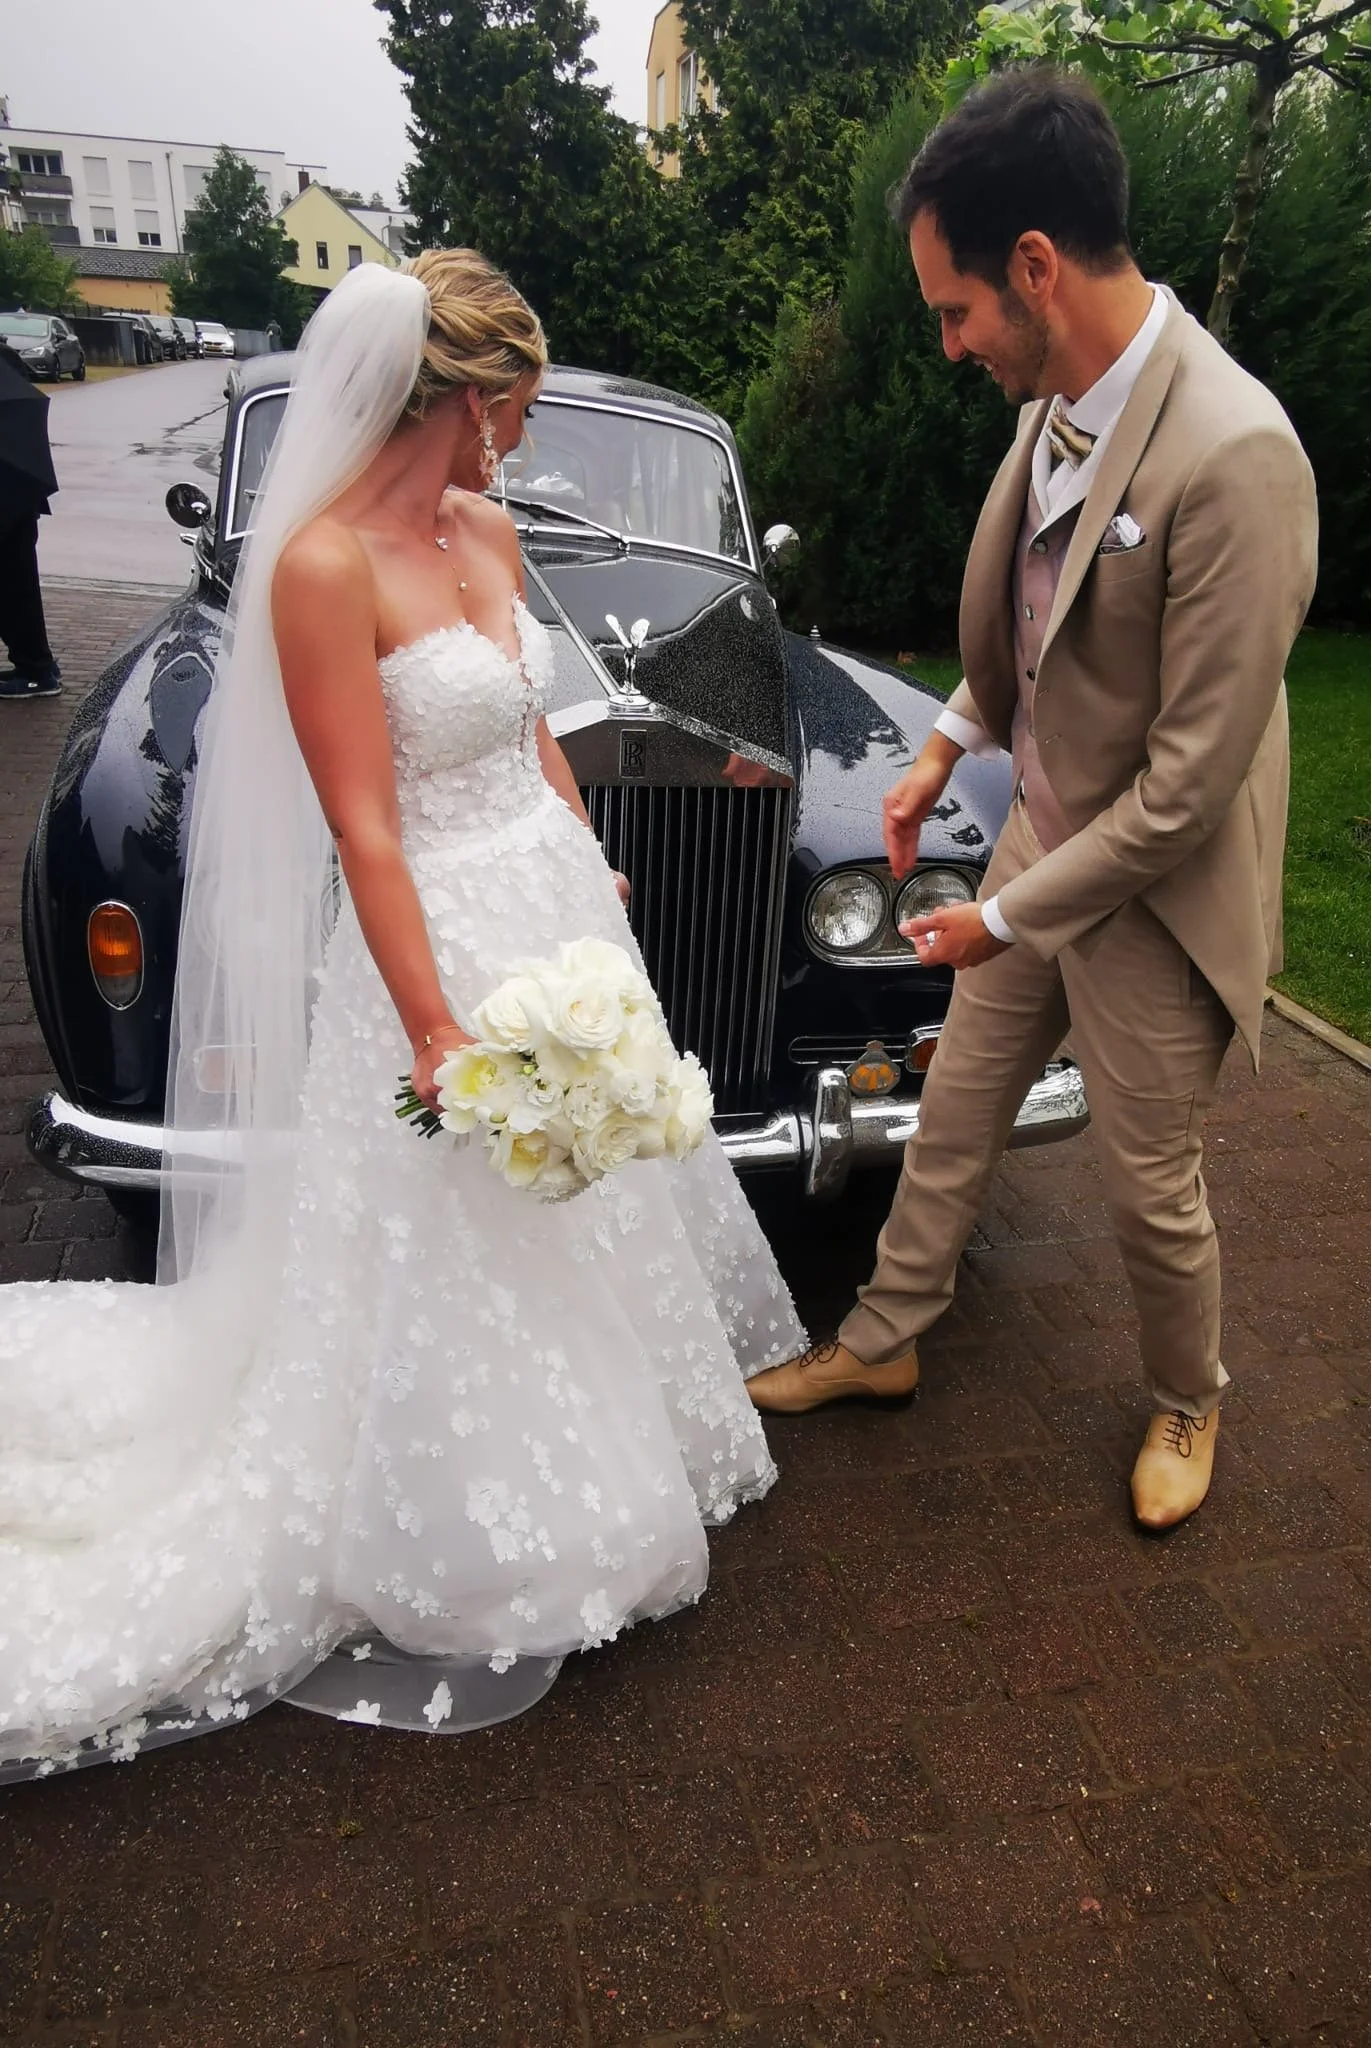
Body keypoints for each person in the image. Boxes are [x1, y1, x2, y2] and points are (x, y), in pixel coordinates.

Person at [0, 252, 804, 1781]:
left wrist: (590, 866)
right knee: (459, 1227)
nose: (528, 436)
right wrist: (435, 1028)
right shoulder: (324, 569)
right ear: (469, 398)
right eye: (523, 406)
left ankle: (612, 1437)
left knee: (586, 1203)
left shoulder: (487, 531)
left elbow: (530, 721)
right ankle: (473, 1510)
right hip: (435, 928)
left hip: (553, 906)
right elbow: (366, 825)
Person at [748, 69, 1318, 1533]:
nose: (948, 344)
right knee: (951, 1111)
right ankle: (882, 1340)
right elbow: (1045, 622)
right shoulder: (1056, 400)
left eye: (956, 310)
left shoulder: (1239, 454)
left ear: (1038, 268)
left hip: (1157, 890)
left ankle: (1189, 1398)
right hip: (1040, 832)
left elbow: (1187, 790)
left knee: (1147, 1180)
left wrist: (998, 917)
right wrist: (944, 747)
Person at [0, 336, 62, 700]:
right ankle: (36, 665)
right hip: (16, 491)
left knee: (15, 589)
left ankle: (37, 670)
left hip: (9, 495)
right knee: (15, 587)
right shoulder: (6, 361)